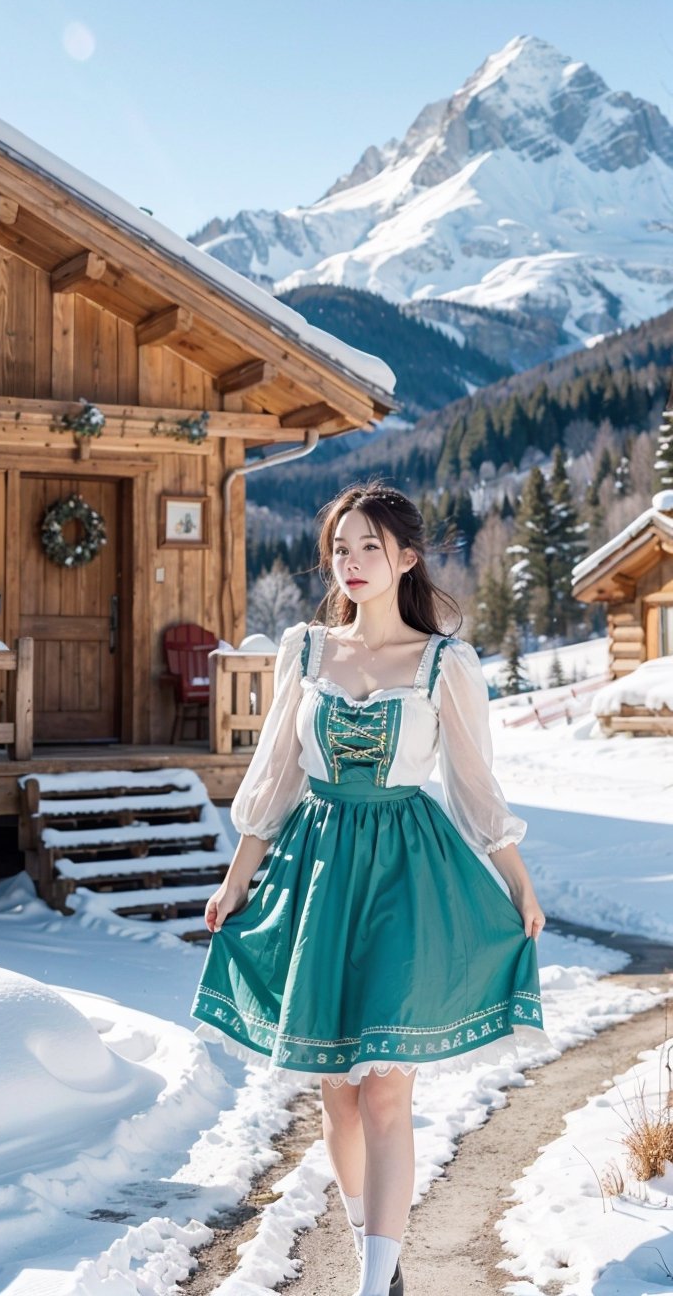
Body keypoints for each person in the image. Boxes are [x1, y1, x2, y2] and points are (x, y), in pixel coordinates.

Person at [190, 479, 552, 1296]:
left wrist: (518, 883)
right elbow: (276, 779)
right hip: (316, 871)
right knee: (337, 1093)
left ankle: (376, 1281)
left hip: (406, 874)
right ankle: (371, 1250)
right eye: (340, 548)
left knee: (386, 1089)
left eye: (368, 548)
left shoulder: (443, 664)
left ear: (406, 559)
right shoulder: (307, 651)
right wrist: (234, 880)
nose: (350, 563)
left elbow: (474, 788)